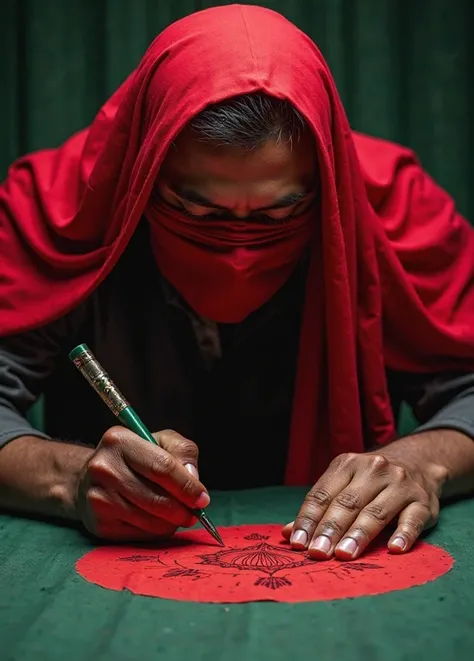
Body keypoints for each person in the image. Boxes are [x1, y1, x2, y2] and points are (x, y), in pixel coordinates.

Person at [1, 5, 474, 561]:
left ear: (325, 179)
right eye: (199, 214)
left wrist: (424, 462)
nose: (239, 254)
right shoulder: (54, 212)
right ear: (141, 169)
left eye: (279, 217)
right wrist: (72, 478)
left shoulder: (394, 209)